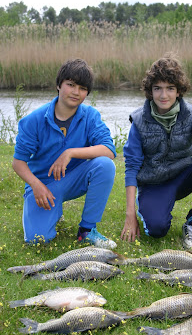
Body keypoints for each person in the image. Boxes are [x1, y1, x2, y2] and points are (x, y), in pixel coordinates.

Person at [121, 54, 192, 252]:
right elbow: (132, 167)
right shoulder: (138, 120)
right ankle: (149, 207)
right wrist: (130, 214)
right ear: (150, 92)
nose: (163, 95)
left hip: (182, 177)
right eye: (157, 88)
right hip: (153, 184)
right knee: (156, 230)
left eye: (170, 88)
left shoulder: (190, 114)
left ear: (178, 91)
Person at [12, 58, 117, 249]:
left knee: (105, 165)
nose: (76, 92)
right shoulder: (33, 120)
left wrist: (70, 152)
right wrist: (35, 185)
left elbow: (109, 150)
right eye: (71, 85)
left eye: (83, 88)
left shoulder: (91, 116)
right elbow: (18, 162)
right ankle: (47, 210)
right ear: (58, 85)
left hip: (74, 179)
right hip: (44, 187)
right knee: (38, 240)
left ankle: (86, 231)